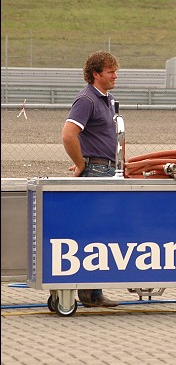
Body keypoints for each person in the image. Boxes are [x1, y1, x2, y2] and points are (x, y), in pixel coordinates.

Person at [61, 51, 120, 308]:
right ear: (96, 74)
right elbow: (68, 135)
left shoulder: (106, 99)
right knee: (95, 232)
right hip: (96, 170)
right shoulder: (86, 100)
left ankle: (92, 292)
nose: (115, 76)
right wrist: (81, 163)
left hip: (105, 169)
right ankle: (91, 293)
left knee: (97, 230)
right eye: (110, 72)